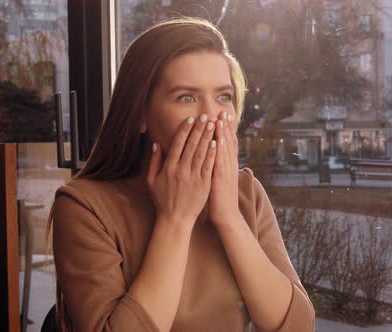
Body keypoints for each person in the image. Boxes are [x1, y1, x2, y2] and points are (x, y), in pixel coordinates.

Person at [48, 17, 315, 332]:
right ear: (140, 115)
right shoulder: (84, 207)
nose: (210, 117)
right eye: (186, 97)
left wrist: (229, 216)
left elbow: (298, 326)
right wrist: (175, 220)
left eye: (223, 97)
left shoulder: (245, 192)